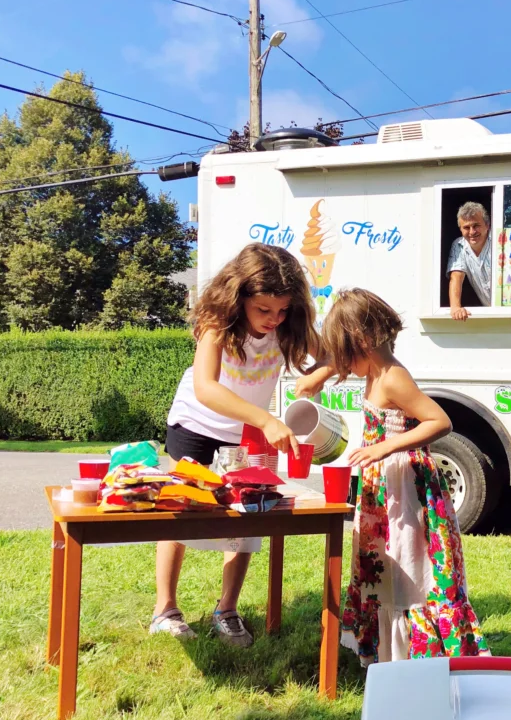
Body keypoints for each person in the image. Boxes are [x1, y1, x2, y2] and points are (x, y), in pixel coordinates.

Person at [153, 243, 332, 647]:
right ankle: (165, 609)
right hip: (196, 425)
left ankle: (227, 610)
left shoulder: (290, 327)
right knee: (179, 511)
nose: (274, 319)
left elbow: (338, 355)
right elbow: (205, 388)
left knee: (249, 516)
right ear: (239, 297)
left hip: (248, 434)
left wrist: (319, 375)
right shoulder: (217, 324)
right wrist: (267, 419)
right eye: (264, 310)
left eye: (282, 310)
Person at [320, 288, 489, 664]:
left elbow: (439, 421)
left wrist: (384, 448)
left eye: (344, 354)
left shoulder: (393, 378)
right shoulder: (376, 371)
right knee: (382, 566)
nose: (342, 366)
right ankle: (387, 654)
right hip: (384, 489)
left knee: (410, 568)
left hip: (406, 491)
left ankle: (414, 658)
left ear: (362, 341)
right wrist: (319, 376)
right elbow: (340, 364)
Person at [447, 201, 492, 321]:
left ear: (487, 225)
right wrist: (456, 307)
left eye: (476, 225)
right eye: (466, 227)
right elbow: (456, 277)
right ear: (460, 229)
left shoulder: (500, 240)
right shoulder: (459, 245)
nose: (472, 232)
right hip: (491, 313)